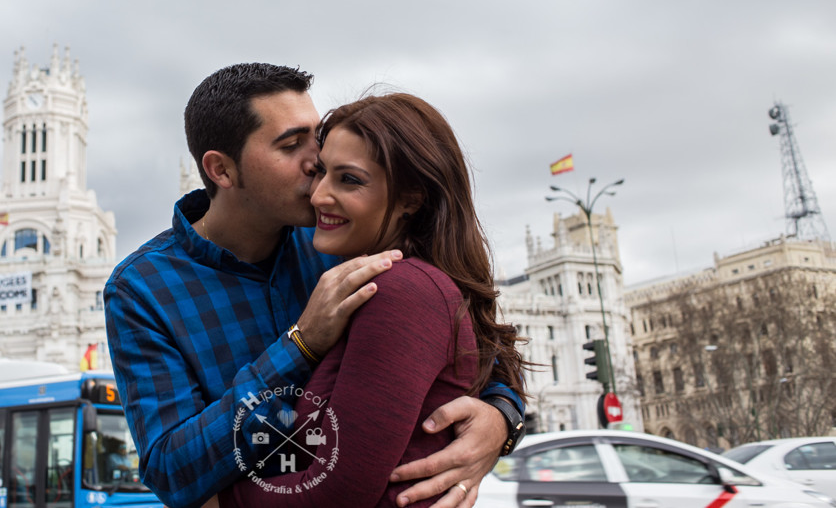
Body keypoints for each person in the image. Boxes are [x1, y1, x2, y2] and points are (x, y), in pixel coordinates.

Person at [105, 64, 526, 508]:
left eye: (316, 139)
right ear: (222, 170)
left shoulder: (344, 237)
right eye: (291, 145)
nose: (316, 162)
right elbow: (172, 471)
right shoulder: (143, 290)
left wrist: (502, 420)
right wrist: (299, 346)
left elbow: (477, 349)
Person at [210, 92, 527, 506]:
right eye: (322, 171)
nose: (319, 194)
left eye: (350, 179)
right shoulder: (372, 272)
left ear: (412, 199)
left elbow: (339, 491)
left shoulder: (400, 290)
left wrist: (217, 503)